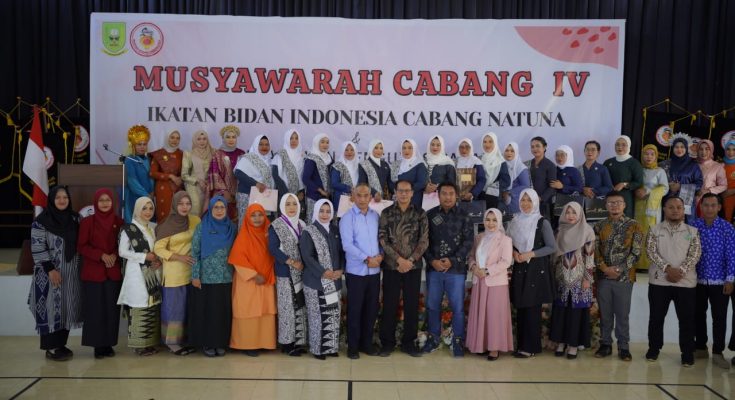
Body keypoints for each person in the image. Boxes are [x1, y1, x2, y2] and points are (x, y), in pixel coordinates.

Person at [645, 196, 701, 367]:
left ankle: (687, 353)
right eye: (671, 207)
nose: (675, 210)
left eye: (679, 207)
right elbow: (651, 252)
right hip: (659, 282)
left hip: (685, 283)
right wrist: (668, 269)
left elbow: (695, 254)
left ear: (684, 210)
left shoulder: (692, 231)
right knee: (656, 318)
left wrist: (680, 272)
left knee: (687, 320)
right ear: (664, 209)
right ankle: (654, 348)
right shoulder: (654, 230)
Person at [29, 186, 82, 361]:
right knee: (51, 308)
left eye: (65, 197)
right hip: (49, 273)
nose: (62, 200)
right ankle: (50, 347)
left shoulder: (75, 218)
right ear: (51, 200)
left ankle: (60, 345)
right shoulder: (41, 221)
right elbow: (37, 247)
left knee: (67, 307)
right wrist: (50, 270)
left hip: (71, 272)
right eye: (58, 197)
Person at [377, 180, 429, 357]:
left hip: (413, 267)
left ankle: (409, 343)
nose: (404, 194)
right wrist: (399, 260)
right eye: (400, 191)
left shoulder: (420, 213)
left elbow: (424, 240)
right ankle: (387, 343)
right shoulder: (386, 213)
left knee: (411, 305)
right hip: (392, 266)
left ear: (412, 193)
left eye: (407, 191)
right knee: (389, 305)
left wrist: (410, 260)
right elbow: (383, 239)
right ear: (395, 192)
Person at [422, 182, 473, 357]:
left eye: (451, 193)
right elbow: (423, 242)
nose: (448, 197)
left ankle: (458, 341)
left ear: (456, 195)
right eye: (444, 193)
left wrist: (452, 260)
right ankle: (433, 339)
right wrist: (432, 261)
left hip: (456, 270)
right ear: (438, 195)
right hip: (434, 269)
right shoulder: (430, 215)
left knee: (457, 308)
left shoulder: (464, 216)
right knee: (432, 306)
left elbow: (468, 242)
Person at [593, 190, 643, 361]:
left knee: (622, 314)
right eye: (611, 203)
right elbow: (595, 251)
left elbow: (636, 253)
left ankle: (623, 347)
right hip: (604, 276)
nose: (614, 206)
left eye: (618, 202)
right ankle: (605, 344)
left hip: (625, 277)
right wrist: (604, 268)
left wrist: (620, 269)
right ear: (606, 205)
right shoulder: (599, 226)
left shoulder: (634, 225)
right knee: (605, 313)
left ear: (624, 205)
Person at [506, 188, 556, 358]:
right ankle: (522, 345)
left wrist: (530, 254)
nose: (525, 203)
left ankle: (531, 347)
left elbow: (551, 247)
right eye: (523, 200)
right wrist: (514, 253)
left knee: (532, 308)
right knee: (521, 306)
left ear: (535, 202)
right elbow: (509, 242)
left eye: (529, 200)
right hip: (520, 267)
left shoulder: (542, 222)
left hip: (536, 268)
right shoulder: (515, 221)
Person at [78, 188, 124, 358]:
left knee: (111, 310)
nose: (105, 203)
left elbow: (124, 245)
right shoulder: (87, 222)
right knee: (95, 310)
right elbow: (81, 246)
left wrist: (114, 255)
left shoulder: (119, 222)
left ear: (113, 202)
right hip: (93, 273)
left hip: (113, 272)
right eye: (101, 200)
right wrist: (101, 256)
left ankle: (108, 344)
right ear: (96, 203)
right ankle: (98, 345)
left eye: (108, 200)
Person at [153, 191, 201, 355]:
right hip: (174, 274)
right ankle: (172, 343)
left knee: (187, 309)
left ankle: (185, 340)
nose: (184, 207)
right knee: (174, 310)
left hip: (191, 272)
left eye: (188, 203)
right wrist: (179, 257)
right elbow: (158, 249)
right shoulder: (167, 225)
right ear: (174, 205)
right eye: (181, 204)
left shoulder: (195, 220)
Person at [188, 195, 236, 357]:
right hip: (206, 278)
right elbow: (195, 252)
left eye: (222, 207)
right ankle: (208, 343)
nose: (219, 210)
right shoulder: (202, 227)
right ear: (210, 209)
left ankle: (220, 343)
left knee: (223, 312)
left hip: (226, 277)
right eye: (216, 207)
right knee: (208, 312)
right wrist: (195, 275)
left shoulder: (232, 228)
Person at [227, 203, 277, 356]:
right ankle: (247, 344)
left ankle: (264, 342)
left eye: (260, 215)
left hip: (266, 279)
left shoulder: (269, 235)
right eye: (253, 215)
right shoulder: (243, 236)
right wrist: (254, 275)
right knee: (248, 311)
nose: (257, 218)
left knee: (265, 311)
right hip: (248, 281)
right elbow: (237, 260)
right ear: (247, 218)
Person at [340, 183, 383, 359]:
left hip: (374, 272)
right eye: (359, 195)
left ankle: (367, 344)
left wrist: (380, 256)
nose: (363, 199)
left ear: (371, 197)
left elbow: (381, 240)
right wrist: (366, 259)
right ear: (353, 196)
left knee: (371, 310)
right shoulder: (347, 218)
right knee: (355, 311)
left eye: (366, 195)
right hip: (356, 272)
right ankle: (353, 347)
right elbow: (347, 245)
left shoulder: (375, 216)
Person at [691, 193, 734, 369]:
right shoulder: (693, 227)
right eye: (706, 205)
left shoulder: (727, 228)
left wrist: (730, 279)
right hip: (697, 280)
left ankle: (717, 352)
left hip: (720, 282)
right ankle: (701, 347)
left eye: (713, 205)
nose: (709, 208)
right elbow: (687, 250)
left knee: (719, 317)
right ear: (701, 207)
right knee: (698, 315)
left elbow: (732, 255)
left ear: (719, 207)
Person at [549, 202, 595, 360]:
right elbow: (554, 257)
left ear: (580, 214)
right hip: (561, 278)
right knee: (561, 312)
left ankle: (573, 345)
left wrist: (587, 278)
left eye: (574, 212)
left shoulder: (587, 231)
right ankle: (561, 342)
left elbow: (590, 257)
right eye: (567, 212)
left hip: (579, 279)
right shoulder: (560, 231)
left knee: (576, 313)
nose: (570, 216)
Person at [466, 208, 514, 360]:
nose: (490, 223)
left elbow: (506, 261)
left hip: (495, 283)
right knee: (481, 314)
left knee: (494, 315)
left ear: (499, 221)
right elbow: (471, 256)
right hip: (479, 281)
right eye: (488, 219)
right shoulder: (479, 237)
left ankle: (494, 348)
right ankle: (481, 345)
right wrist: (474, 267)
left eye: (494, 220)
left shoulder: (505, 240)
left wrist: (487, 271)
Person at [117, 196, 162, 357]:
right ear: (137, 210)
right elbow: (122, 252)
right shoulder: (129, 229)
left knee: (151, 305)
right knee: (139, 305)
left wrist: (158, 261)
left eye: (151, 208)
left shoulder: (153, 227)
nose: (148, 212)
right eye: (144, 208)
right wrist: (144, 257)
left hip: (152, 273)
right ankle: (139, 345)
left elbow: (158, 250)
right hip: (136, 274)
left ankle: (149, 343)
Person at [299, 199, 344, 360]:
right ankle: (318, 349)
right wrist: (323, 272)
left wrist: (341, 270)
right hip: (316, 281)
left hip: (334, 280)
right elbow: (307, 257)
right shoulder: (308, 231)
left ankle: (330, 347)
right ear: (316, 211)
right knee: (317, 315)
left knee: (333, 314)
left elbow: (342, 253)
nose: (325, 214)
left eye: (328, 211)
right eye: (321, 211)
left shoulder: (335, 230)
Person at [268, 193, 308, 356]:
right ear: (282, 207)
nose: (291, 207)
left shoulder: (302, 224)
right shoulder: (276, 225)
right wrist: (291, 262)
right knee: (287, 308)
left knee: (299, 306)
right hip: (285, 272)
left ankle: (298, 342)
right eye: (288, 204)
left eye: (294, 204)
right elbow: (273, 248)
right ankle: (287, 343)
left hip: (301, 272)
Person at [635, 145, 669, 270]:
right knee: (638, 231)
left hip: (653, 207)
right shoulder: (638, 169)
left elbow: (665, 188)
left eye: (652, 154)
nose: (649, 157)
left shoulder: (660, 171)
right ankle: (637, 263)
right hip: (637, 205)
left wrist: (648, 191)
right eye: (646, 154)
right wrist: (636, 191)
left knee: (651, 232)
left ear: (656, 156)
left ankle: (650, 263)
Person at [234, 135, 274, 228]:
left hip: (264, 196)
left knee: (261, 223)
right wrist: (256, 184)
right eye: (261, 144)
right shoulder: (249, 157)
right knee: (246, 223)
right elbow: (238, 173)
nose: (264, 147)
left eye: (267, 145)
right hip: (247, 195)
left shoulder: (271, 160)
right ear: (256, 145)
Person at [660, 135, 702, 223]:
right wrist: (669, 186)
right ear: (673, 148)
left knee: (687, 228)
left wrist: (681, 186)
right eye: (676, 147)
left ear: (686, 148)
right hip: (669, 201)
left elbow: (699, 184)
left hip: (687, 202)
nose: (679, 149)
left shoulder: (693, 165)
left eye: (682, 147)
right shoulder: (665, 164)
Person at [208, 125, 244, 221]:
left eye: (233, 137)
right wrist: (225, 191)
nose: (231, 140)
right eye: (228, 137)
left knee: (237, 218)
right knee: (223, 216)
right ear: (223, 139)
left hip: (239, 193)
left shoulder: (241, 153)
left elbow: (245, 173)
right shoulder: (217, 154)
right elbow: (215, 175)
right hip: (222, 193)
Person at [603, 136, 644, 218]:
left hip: (625, 198)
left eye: (623, 145)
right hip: (609, 197)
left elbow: (639, 182)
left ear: (629, 146)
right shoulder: (608, 162)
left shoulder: (634, 163)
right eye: (617, 144)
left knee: (625, 221)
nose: (620, 147)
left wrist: (624, 184)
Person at [149, 130, 183, 222]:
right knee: (164, 215)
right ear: (167, 138)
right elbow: (152, 173)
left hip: (177, 189)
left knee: (177, 215)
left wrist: (182, 178)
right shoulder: (159, 154)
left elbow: (185, 172)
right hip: (163, 189)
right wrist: (170, 176)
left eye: (177, 138)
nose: (175, 140)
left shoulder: (181, 154)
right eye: (172, 137)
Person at [124, 125, 154, 223]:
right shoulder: (130, 160)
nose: (142, 147)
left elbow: (152, 177)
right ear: (133, 145)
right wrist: (146, 195)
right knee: (136, 222)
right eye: (139, 144)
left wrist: (152, 192)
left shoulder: (149, 159)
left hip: (149, 197)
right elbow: (132, 182)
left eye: (144, 144)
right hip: (135, 197)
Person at [181, 130, 214, 216]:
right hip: (194, 186)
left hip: (209, 186)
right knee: (195, 210)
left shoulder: (213, 153)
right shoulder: (189, 154)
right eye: (199, 139)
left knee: (209, 211)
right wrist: (198, 181)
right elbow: (184, 175)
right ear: (195, 140)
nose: (202, 141)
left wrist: (210, 182)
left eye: (204, 139)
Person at [272, 129, 305, 208]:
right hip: (283, 192)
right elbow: (275, 175)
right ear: (287, 139)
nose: (294, 141)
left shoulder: (302, 155)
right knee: (284, 214)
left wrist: (301, 191)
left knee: (297, 214)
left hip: (298, 194)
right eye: (291, 138)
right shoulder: (280, 154)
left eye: (296, 138)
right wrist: (286, 194)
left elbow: (302, 175)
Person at [391, 138, 427, 209]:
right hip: (398, 199)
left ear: (414, 149)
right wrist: (397, 192)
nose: (406, 150)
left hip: (414, 199)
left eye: (410, 148)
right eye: (404, 148)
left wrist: (405, 192)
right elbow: (391, 182)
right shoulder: (396, 164)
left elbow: (422, 183)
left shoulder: (419, 164)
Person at [303, 133, 332, 220]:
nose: (325, 145)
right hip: (314, 196)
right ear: (316, 143)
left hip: (327, 196)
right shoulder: (311, 159)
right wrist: (320, 190)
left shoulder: (329, 157)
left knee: (324, 221)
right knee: (313, 220)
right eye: (322, 142)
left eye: (327, 142)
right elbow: (306, 179)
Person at [527, 137, 557, 220]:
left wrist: (541, 198)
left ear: (544, 147)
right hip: (528, 202)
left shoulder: (550, 165)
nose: (534, 149)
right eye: (532, 147)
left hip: (544, 204)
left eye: (537, 146)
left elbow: (552, 187)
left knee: (542, 225)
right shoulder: (528, 163)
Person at [695, 139, 727, 216]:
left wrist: (709, 191)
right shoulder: (693, 165)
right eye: (701, 149)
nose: (703, 152)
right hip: (691, 200)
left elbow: (723, 185)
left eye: (707, 149)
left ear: (711, 150)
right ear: (697, 150)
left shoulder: (717, 166)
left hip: (708, 201)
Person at [479, 133, 510, 210]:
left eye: (490, 141)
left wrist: (493, 186)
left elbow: (506, 181)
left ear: (495, 143)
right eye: (485, 142)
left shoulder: (500, 161)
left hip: (494, 197)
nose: (487, 144)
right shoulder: (480, 159)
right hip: (480, 196)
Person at [502, 142, 531, 214]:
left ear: (516, 152)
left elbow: (526, 186)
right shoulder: (502, 165)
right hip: (502, 200)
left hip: (515, 201)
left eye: (512, 151)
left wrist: (509, 192)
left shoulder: (521, 168)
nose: (509, 153)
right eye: (507, 150)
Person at [455, 138, 487, 202]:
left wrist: (472, 193)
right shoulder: (455, 162)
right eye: (461, 147)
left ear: (471, 148)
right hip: (456, 197)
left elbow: (482, 180)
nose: (464, 150)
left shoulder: (476, 162)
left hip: (471, 198)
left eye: (467, 147)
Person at [331, 141, 359, 213]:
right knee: (342, 219)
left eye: (352, 150)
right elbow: (334, 183)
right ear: (342, 151)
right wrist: (349, 189)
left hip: (357, 198)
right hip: (341, 198)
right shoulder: (337, 165)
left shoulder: (359, 166)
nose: (349, 152)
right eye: (346, 150)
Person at [721, 139, 735, 222]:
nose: (731, 152)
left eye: (734, 149)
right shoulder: (719, 165)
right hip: (721, 201)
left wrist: (732, 191)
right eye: (728, 149)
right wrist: (721, 193)